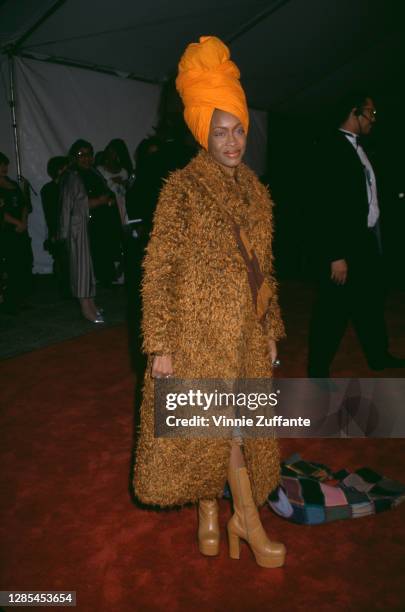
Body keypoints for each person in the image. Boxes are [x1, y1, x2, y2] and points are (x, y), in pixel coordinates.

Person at [134, 36, 286, 568]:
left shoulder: (258, 193)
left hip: (244, 334)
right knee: (215, 430)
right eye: (220, 131)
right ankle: (235, 517)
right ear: (203, 132)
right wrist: (160, 345)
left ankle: (222, 516)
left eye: (239, 128)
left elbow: (264, 271)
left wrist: (271, 327)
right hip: (196, 336)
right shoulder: (181, 190)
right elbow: (158, 270)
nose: (232, 140)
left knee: (231, 426)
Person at [308, 93, 405, 377]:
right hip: (344, 244)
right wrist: (335, 255)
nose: (374, 120)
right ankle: (317, 370)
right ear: (354, 113)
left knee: (370, 302)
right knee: (333, 310)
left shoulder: (360, 148)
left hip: (365, 240)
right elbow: (324, 206)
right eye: (370, 114)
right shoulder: (330, 147)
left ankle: (378, 356)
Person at [59, 140, 113, 322]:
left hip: (93, 225)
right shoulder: (72, 176)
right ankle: (86, 307)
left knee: (89, 267)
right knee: (81, 268)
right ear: (74, 156)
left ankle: (91, 303)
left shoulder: (93, 172)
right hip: (79, 227)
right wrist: (100, 201)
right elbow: (75, 205)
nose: (86, 158)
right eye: (81, 154)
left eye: (89, 154)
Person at [0, 151, 33, 314]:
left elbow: (24, 204)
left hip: (20, 230)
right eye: (1, 165)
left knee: (24, 263)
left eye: (5, 164)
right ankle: (9, 300)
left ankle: (22, 298)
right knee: (9, 265)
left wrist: (23, 221)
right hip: (6, 231)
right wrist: (16, 222)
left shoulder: (12, 183)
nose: (4, 168)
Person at [41, 156, 70, 296]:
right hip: (58, 230)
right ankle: (64, 289)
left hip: (70, 229)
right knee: (62, 259)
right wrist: (53, 233)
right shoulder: (48, 189)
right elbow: (50, 214)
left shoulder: (69, 187)